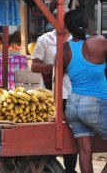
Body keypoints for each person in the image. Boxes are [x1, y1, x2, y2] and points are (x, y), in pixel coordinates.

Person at [63, 10, 107, 173]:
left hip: (73, 105)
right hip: (97, 103)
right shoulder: (100, 41)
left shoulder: (65, 49)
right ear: (87, 24)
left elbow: (55, 79)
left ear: (68, 28)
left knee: (85, 152)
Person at [31, 27, 78, 173]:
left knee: (71, 136)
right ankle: (49, 165)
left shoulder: (77, 40)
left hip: (72, 95)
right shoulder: (44, 39)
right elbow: (34, 66)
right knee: (50, 134)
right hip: (50, 96)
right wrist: (55, 66)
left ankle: (70, 169)